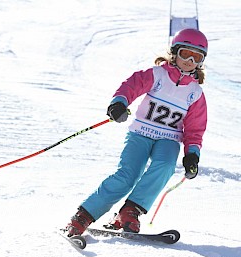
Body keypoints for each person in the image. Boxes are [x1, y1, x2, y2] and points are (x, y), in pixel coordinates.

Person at [64, 28, 208, 237]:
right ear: (175, 53)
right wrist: (119, 103)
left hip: (169, 138)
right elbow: (132, 85)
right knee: (127, 175)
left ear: (201, 62)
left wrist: (192, 155)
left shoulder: (195, 93)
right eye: (186, 54)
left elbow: (195, 128)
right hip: (141, 132)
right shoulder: (158, 74)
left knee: (166, 166)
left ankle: (130, 211)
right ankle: (83, 216)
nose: (189, 61)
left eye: (196, 57)